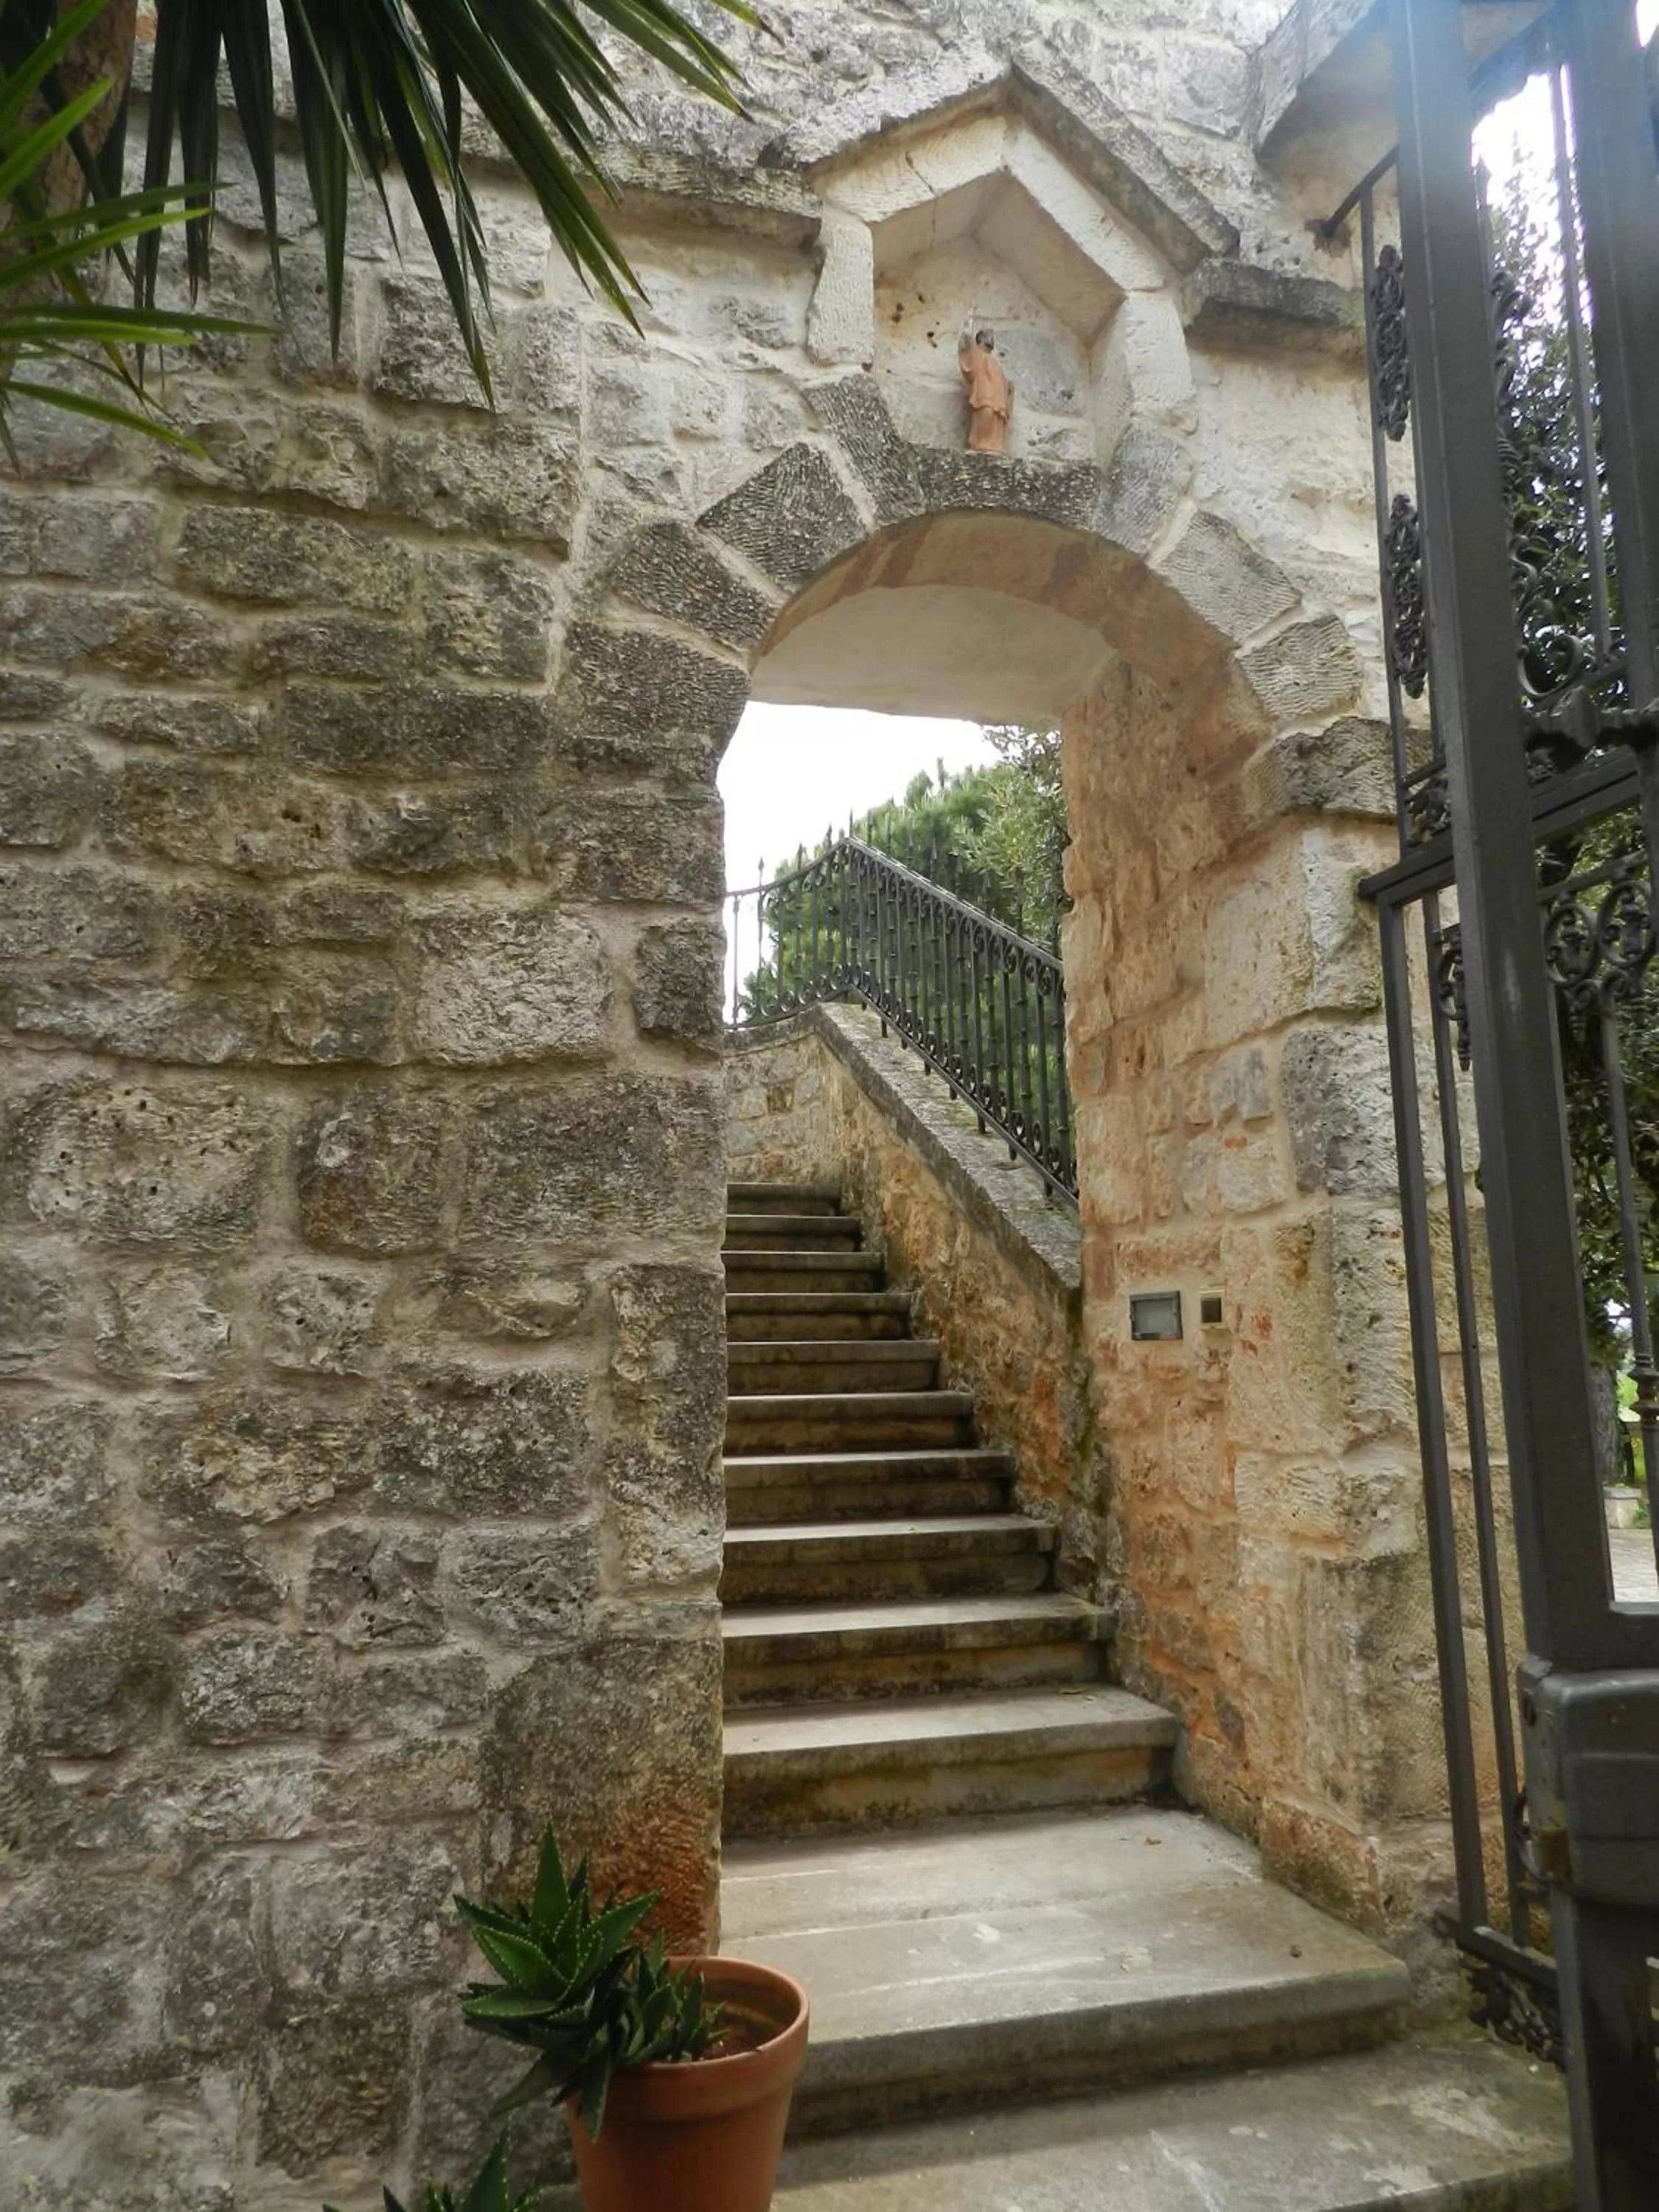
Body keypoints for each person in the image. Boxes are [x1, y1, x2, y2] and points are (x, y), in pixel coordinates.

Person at [959, 326, 1013, 455]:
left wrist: (1007, 386)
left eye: (993, 337)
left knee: (996, 419)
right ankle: (980, 444)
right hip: (984, 392)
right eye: (990, 336)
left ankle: (993, 444)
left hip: (998, 398)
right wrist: (968, 328)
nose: (992, 340)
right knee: (986, 413)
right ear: (981, 339)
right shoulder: (977, 353)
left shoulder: (992, 360)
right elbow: (965, 348)